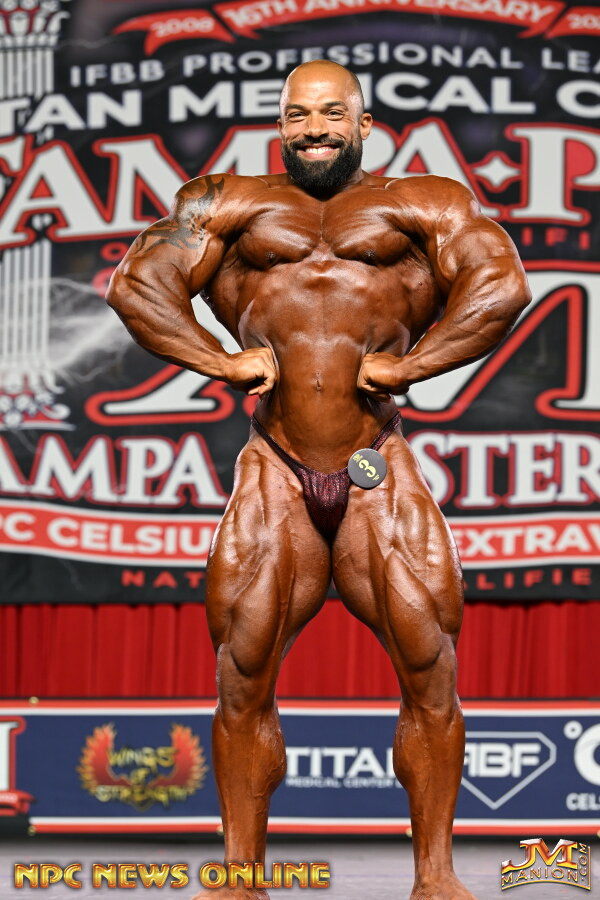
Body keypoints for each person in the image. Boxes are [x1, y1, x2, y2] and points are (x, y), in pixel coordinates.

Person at [107, 60, 531, 900]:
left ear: (363, 124)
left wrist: (412, 366)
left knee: (431, 670)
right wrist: (217, 359)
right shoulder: (226, 201)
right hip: (274, 467)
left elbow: (501, 285)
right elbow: (138, 285)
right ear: (280, 124)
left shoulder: (424, 201)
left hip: (379, 466)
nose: (314, 129)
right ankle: (241, 877)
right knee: (242, 675)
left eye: (332, 113)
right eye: (298, 115)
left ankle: (436, 876)